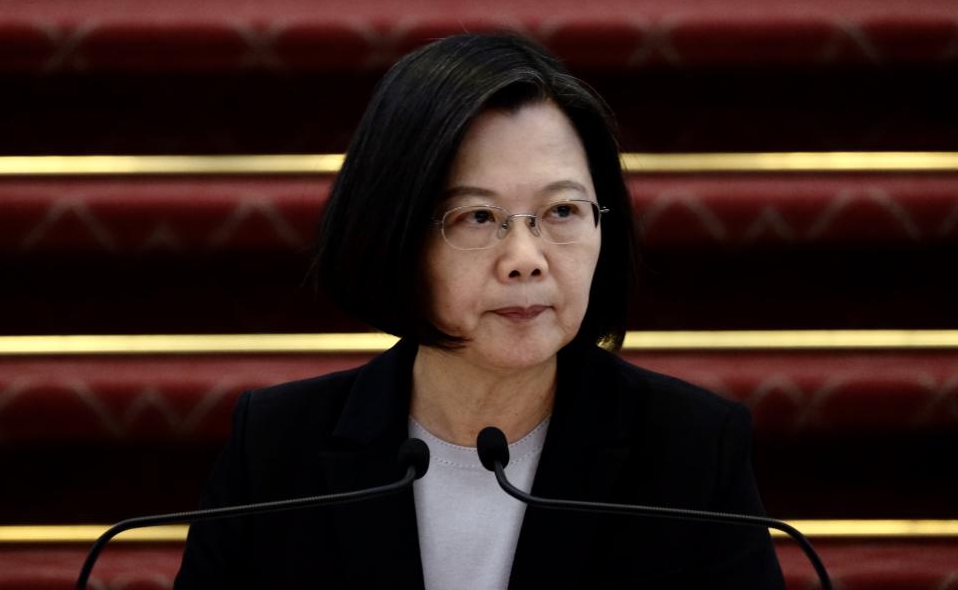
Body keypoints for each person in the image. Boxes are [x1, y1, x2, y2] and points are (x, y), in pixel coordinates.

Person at [175, 33, 785, 589]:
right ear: (394, 233)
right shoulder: (277, 451)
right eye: (477, 217)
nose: (526, 259)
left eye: (563, 212)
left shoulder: (692, 451)